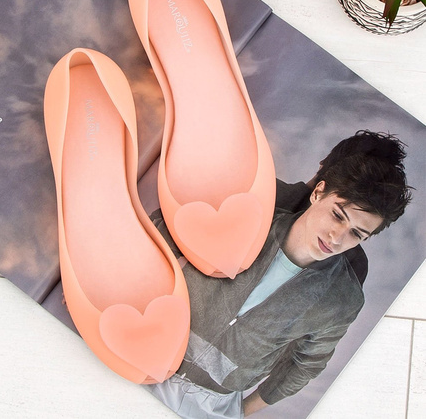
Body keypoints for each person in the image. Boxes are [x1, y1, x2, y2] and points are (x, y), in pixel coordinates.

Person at [147, 130, 412, 418]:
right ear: (319, 190)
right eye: (337, 215)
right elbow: (166, 229)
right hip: (148, 350)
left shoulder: (343, 293)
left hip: (211, 402)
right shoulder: (253, 207)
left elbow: (306, 362)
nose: (336, 237)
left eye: (357, 234)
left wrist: (240, 411)